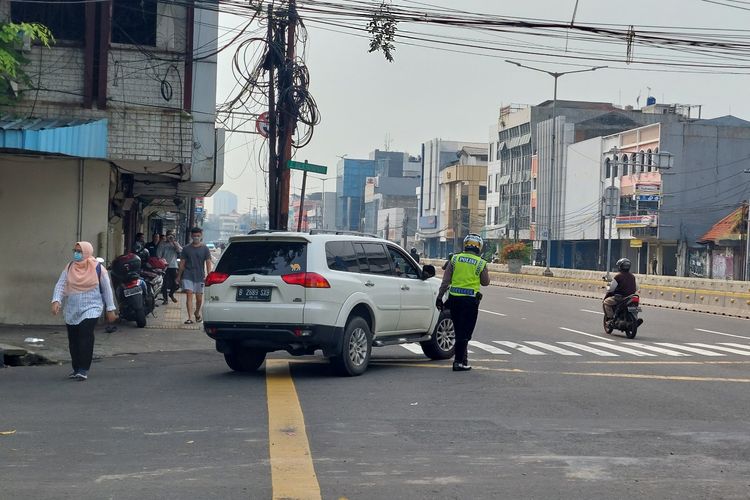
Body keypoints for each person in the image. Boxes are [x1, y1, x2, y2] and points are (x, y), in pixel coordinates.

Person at [51, 241, 117, 381]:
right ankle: (76, 368)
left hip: (92, 307)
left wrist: (110, 309)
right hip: (72, 309)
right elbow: (61, 284)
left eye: (79, 251)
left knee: (85, 334)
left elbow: (107, 289)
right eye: (75, 250)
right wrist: (56, 300)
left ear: (87, 252)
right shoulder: (69, 267)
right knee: (73, 339)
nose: (76, 253)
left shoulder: (98, 268)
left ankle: (83, 369)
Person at [435, 234, 490, 372]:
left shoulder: (455, 259)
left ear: (465, 245)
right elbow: (485, 282)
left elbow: (445, 281)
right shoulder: (480, 262)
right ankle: (458, 362)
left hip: (454, 299)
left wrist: (439, 297)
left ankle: (463, 360)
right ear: (479, 248)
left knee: (459, 330)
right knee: (465, 333)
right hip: (470, 302)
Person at [177, 227, 212, 324]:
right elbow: (182, 264)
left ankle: (196, 313)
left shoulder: (205, 248)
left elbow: (208, 263)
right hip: (188, 275)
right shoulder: (186, 249)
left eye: (198, 235)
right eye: (194, 235)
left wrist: (209, 275)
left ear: (201, 236)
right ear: (191, 236)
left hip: (200, 276)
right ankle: (190, 318)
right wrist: (179, 276)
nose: (196, 237)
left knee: (199, 299)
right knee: (189, 295)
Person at [603, 258, 638, 323]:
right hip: (631, 297)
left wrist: (607, 287)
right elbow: (637, 288)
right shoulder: (633, 276)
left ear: (620, 266)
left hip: (620, 298)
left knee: (606, 302)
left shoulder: (618, 276)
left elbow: (611, 289)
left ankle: (611, 318)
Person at [157, 229, 182, 305]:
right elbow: (159, 255)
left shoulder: (175, 243)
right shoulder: (162, 244)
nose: (170, 237)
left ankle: (171, 294)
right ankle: (165, 299)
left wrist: (173, 242)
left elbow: (180, 251)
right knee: (164, 283)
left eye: (172, 235)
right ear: (166, 236)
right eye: (169, 235)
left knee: (176, 282)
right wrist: (162, 262)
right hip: (164, 266)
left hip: (173, 266)